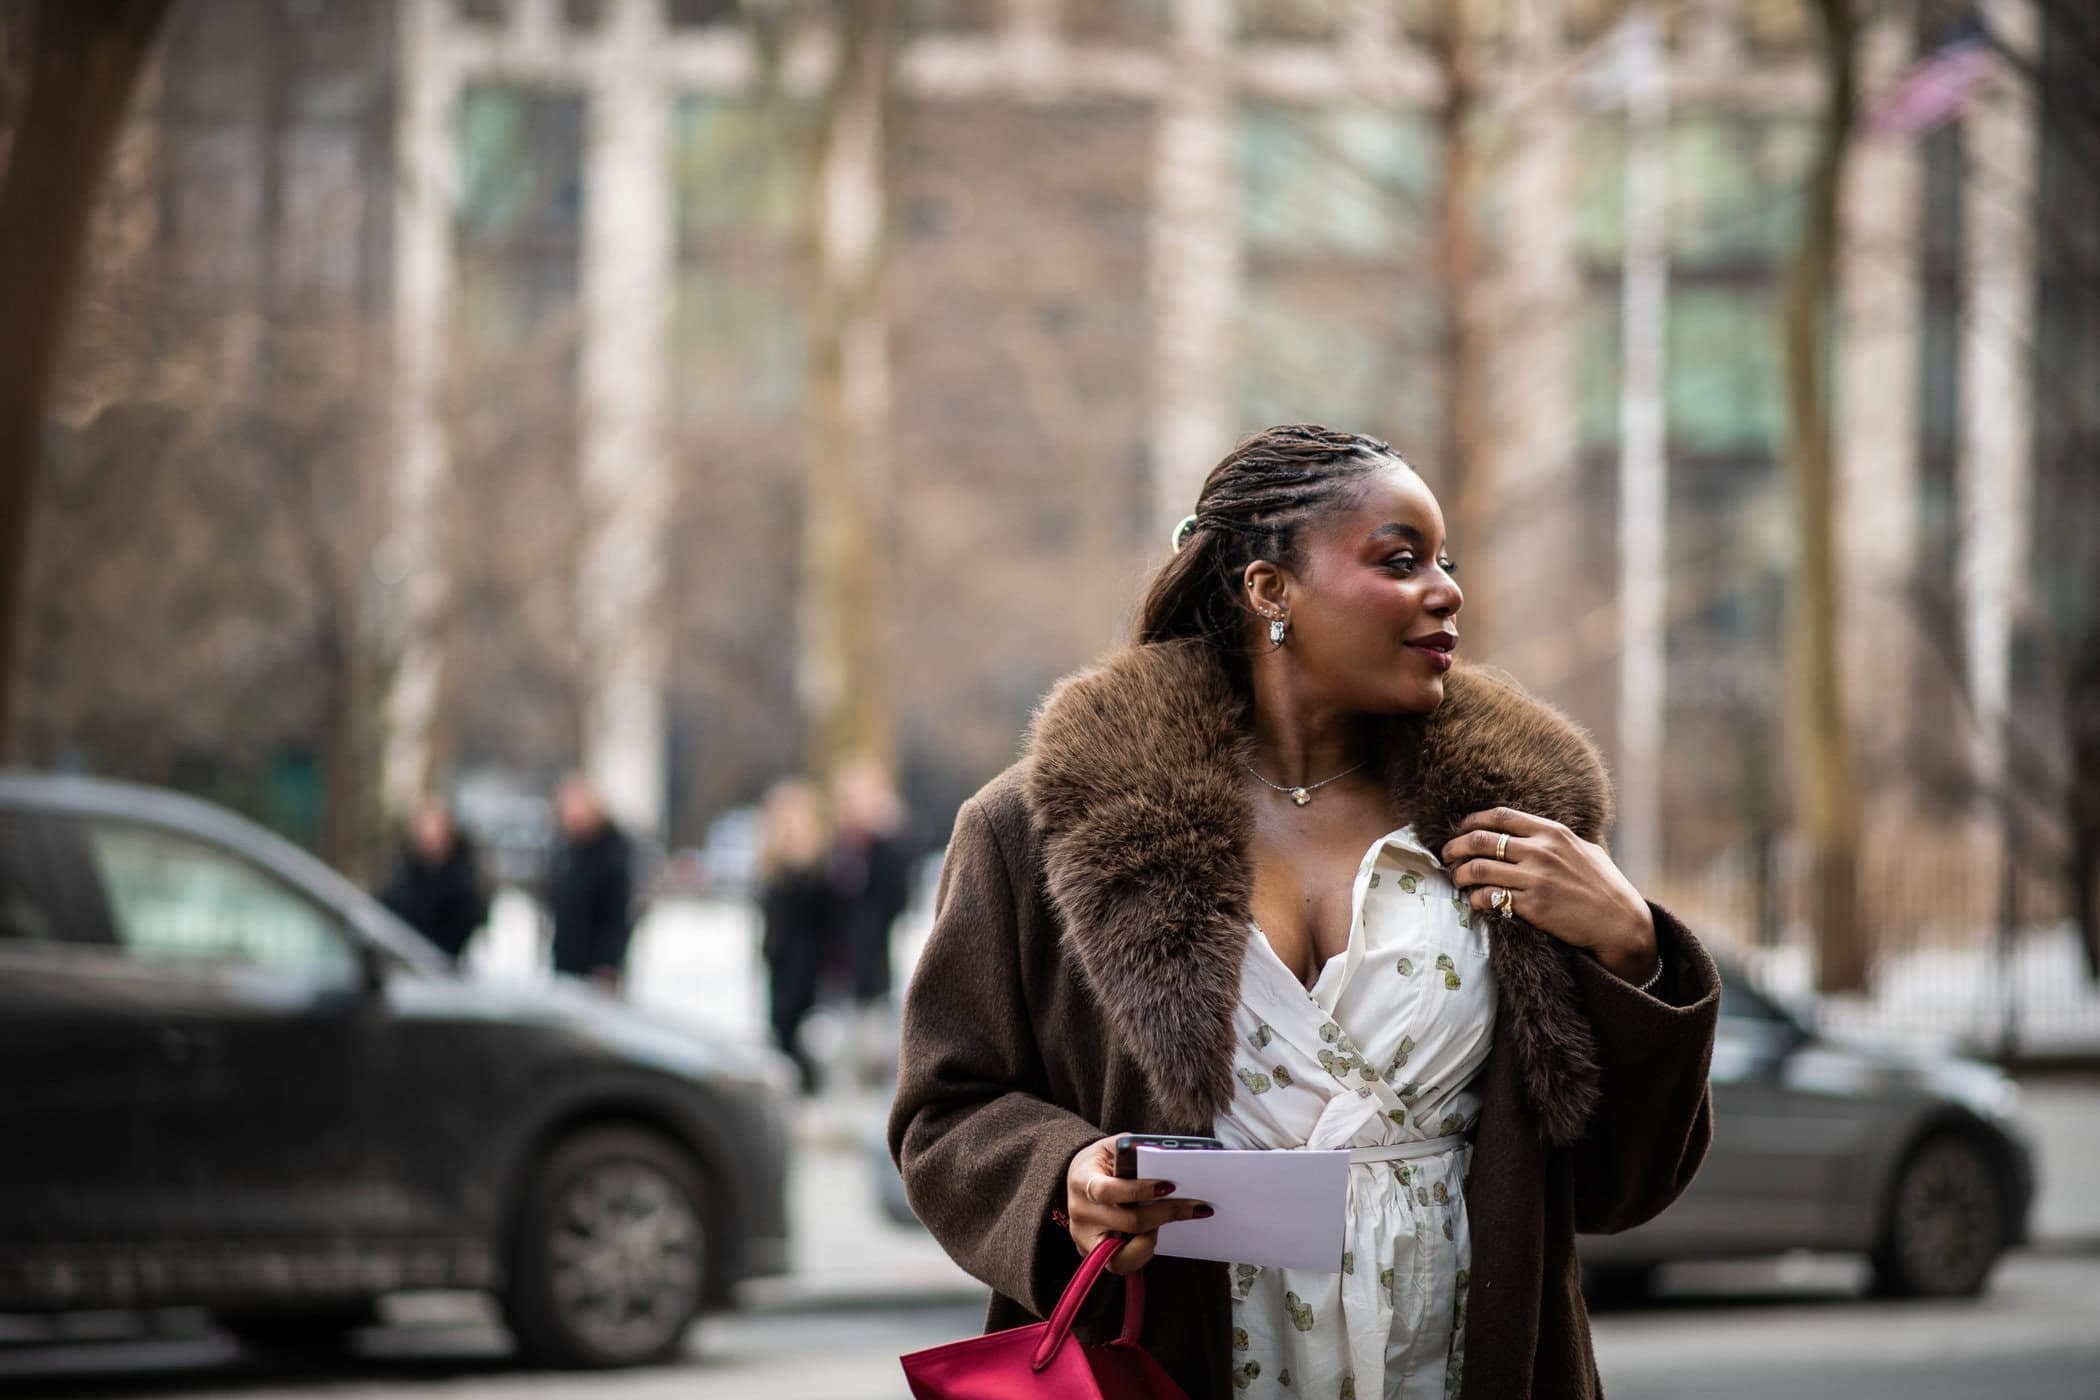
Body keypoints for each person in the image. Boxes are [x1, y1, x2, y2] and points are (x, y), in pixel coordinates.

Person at [889, 426, 1720, 1399]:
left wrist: (1634, 948)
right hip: (1183, 1357)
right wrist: (1064, 1177)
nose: (1446, 590)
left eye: (1445, 563)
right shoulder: (1030, 832)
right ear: (1269, 587)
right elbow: (945, 1112)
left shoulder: (1515, 831)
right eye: (1399, 560)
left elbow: (1625, 1182)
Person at [830, 756, 911, 1077]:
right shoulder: (836, 845)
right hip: (835, 970)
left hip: (871, 970)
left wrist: (886, 834)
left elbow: (897, 899)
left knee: (870, 1056)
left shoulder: (886, 849)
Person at [757, 777, 839, 1096]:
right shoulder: (773, 863)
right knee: (780, 1033)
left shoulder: (817, 865)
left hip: (808, 966)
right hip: (780, 962)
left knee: (803, 1039)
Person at [547, 772, 633, 994]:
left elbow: (618, 915)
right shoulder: (566, 850)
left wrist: (608, 963)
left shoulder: (612, 852)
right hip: (566, 960)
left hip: (597, 968)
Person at [378, 795, 488, 965]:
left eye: (432, 825)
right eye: (422, 826)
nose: (427, 833)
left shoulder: (460, 879)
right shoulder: (404, 871)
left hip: (440, 969)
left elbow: (469, 920)